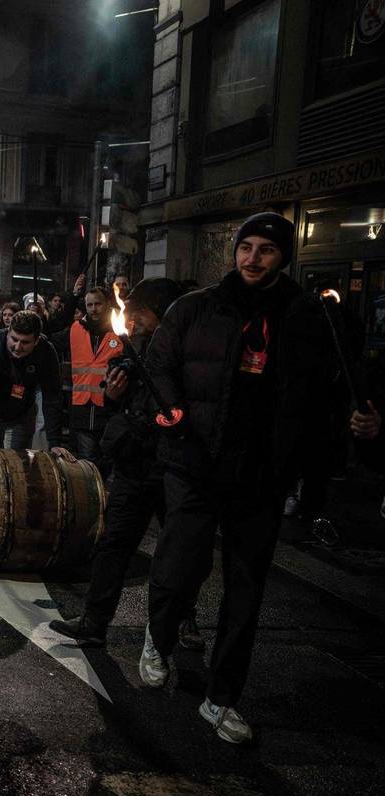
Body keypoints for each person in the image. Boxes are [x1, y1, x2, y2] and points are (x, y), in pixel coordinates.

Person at [141, 212, 336, 744]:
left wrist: (344, 438)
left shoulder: (304, 316)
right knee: (180, 565)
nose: (252, 258)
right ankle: (158, 636)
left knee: (245, 592)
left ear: (283, 257)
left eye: (265, 250)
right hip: (195, 462)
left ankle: (222, 697)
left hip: (262, 476)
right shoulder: (196, 307)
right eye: (246, 247)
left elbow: (323, 394)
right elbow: (159, 365)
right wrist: (173, 411)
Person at [49, 278, 211, 649]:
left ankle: (185, 621)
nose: (133, 319)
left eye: (140, 313)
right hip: (135, 463)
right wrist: (113, 393)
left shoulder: (189, 350)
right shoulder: (136, 347)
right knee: (113, 544)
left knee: (181, 550)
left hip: (174, 466)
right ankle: (94, 622)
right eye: (130, 312)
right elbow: (122, 402)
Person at [0, 310, 73, 460]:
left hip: (21, 415)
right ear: (8, 331)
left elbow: (52, 397)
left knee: (17, 465)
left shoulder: (46, 351)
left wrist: (54, 442)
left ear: (36, 341)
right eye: (14, 339)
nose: (17, 346)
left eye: (25, 342)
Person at [55, 286, 123, 466]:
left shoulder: (120, 330)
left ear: (107, 304)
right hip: (82, 409)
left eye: (98, 304)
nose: (94, 309)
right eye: (89, 305)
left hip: (110, 407)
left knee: (110, 460)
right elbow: (51, 335)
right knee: (88, 462)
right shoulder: (75, 329)